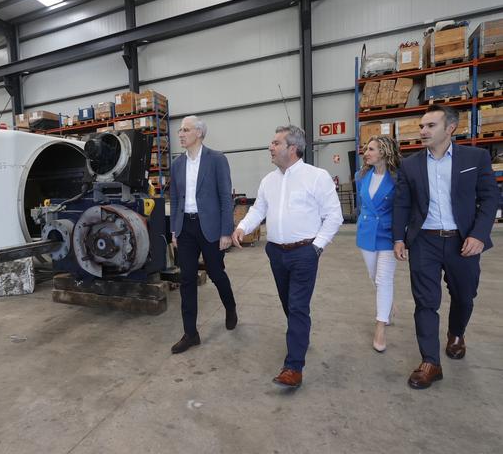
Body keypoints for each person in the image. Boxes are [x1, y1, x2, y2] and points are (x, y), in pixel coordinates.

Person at [393, 104, 497, 390]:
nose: (423, 130)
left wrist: (478, 234)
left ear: (450, 128)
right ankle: (430, 362)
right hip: (424, 240)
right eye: (422, 126)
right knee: (425, 302)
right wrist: (399, 238)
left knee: (465, 295)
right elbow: (402, 203)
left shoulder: (475, 157)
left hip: (462, 240)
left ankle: (456, 332)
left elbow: (489, 199)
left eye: (430, 126)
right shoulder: (410, 164)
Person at [232, 125, 343, 388]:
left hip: (305, 252)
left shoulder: (317, 177)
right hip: (276, 253)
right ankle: (301, 337)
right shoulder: (269, 180)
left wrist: (317, 247)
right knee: (288, 303)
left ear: (292, 149)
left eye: (275, 143)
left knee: (296, 306)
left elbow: (334, 216)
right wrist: (242, 227)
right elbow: (258, 209)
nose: (270, 147)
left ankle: (293, 367)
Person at [169, 115, 237, 354]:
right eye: (180, 130)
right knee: (186, 279)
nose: (180, 134)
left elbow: (225, 198)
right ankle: (191, 333)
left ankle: (230, 307)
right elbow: (175, 198)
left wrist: (226, 231)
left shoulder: (217, 160)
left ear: (198, 133)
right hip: (186, 228)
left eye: (185, 130)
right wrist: (174, 229)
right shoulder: (177, 164)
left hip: (209, 227)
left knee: (217, 273)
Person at [355, 135, 402, 352]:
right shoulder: (361, 176)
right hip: (366, 234)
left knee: (383, 279)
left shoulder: (398, 178)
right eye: (366, 149)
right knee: (375, 278)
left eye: (371, 149)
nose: (366, 153)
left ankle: (380, 326)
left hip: (388, 234)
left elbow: (404, 207)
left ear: (384, 152)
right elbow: (363, 206)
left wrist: (403, 236)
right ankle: (389, 304)